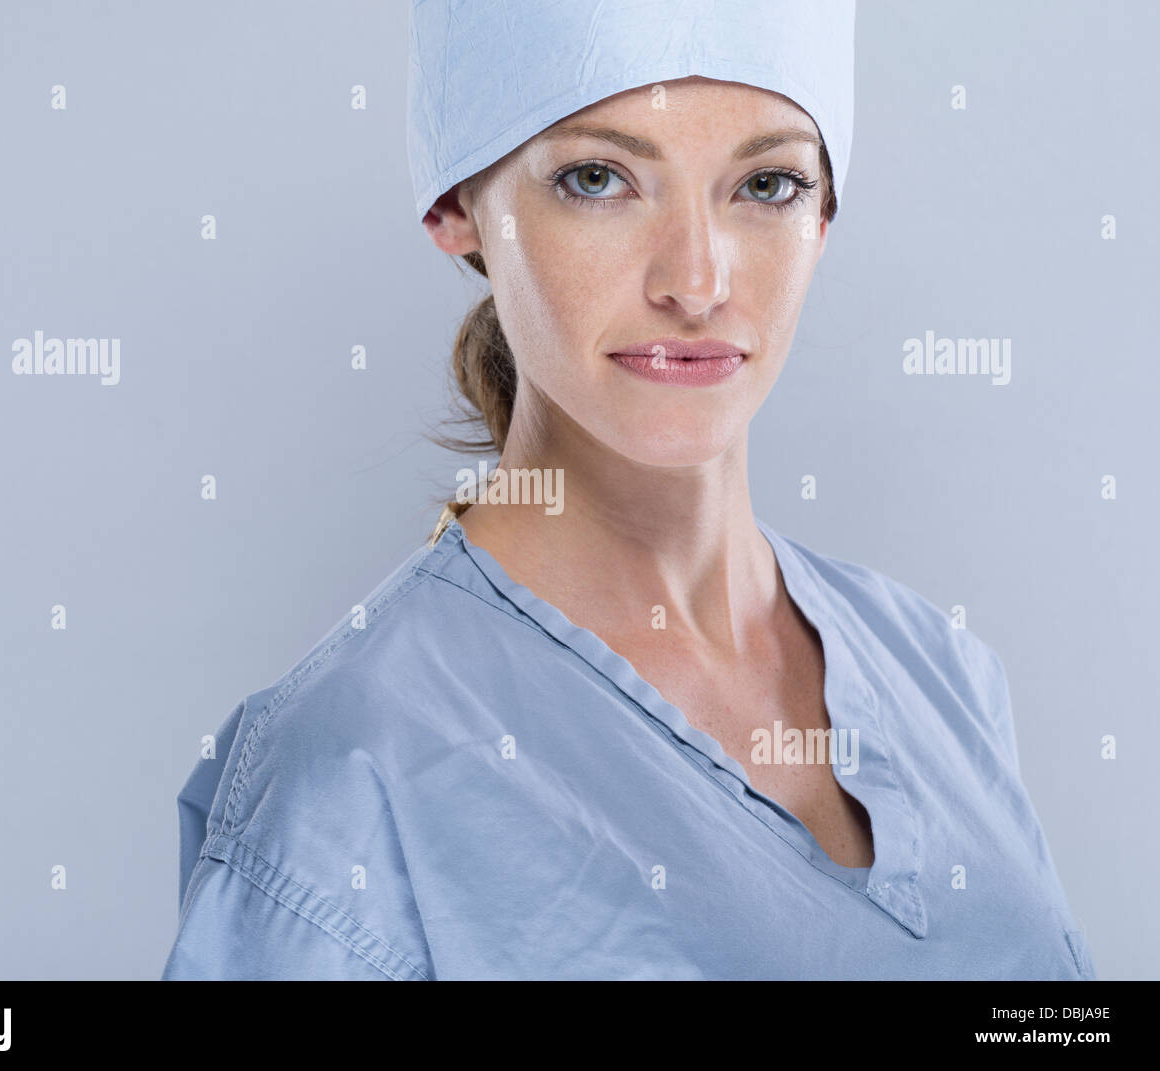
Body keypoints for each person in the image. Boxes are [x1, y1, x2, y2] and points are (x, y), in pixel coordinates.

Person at [160, 0, 1095, 980]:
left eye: (766, 183)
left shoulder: (940, 673)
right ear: (454, 208)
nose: (695, 283)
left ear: (823, 216)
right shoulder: (347, 775)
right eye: (597, 179)